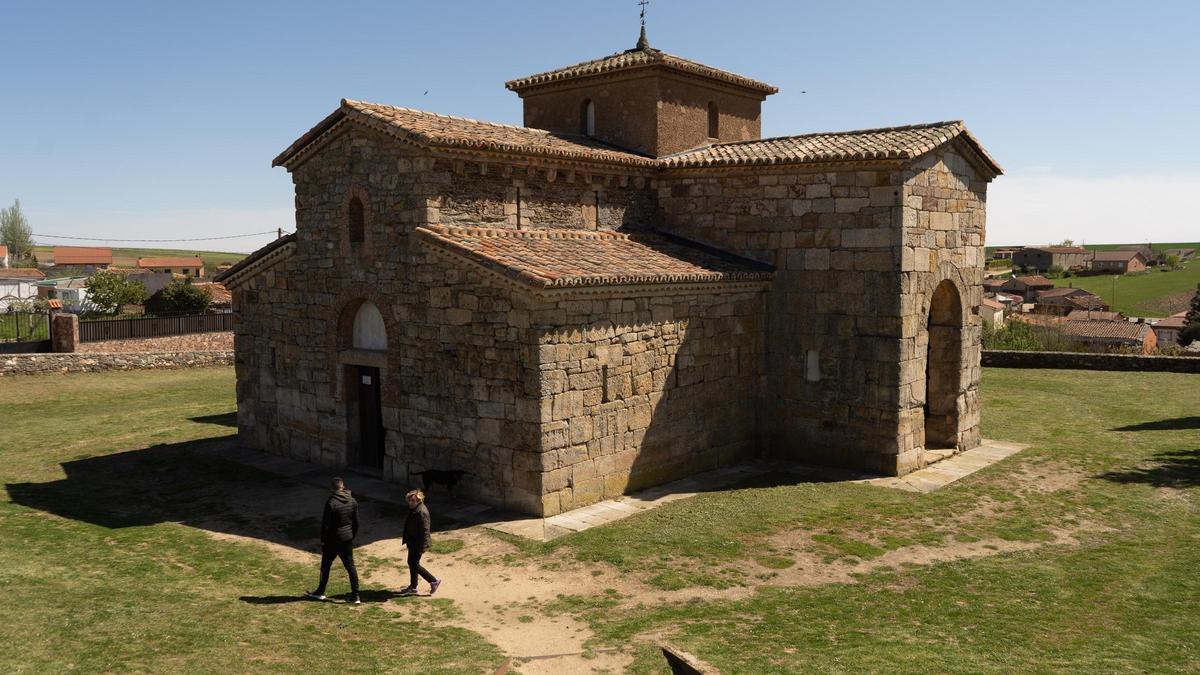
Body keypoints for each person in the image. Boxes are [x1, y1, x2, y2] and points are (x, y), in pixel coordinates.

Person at [305, 477, 361, 604]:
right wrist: (351, 536)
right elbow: (357, 523)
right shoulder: (352, 501)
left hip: (333, 540)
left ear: (332, 489)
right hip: (347, 538)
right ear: (343, 487)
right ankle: (356, 595)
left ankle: (320, 592)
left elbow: (326, 525)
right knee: (350, 566)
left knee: (325, 566)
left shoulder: (331, 503)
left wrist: (323, 540)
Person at [400, 489, 440, 596]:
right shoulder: (414, 509)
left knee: (413, 564)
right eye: (409, 500)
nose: (410, 502)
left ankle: (433, 581)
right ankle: (413, 587)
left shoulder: (421, 512)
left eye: (412, 500)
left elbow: (425, 531)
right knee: (411, 563)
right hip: (412, 541)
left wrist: (423, 546)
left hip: (418, 543)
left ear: (419, 500)